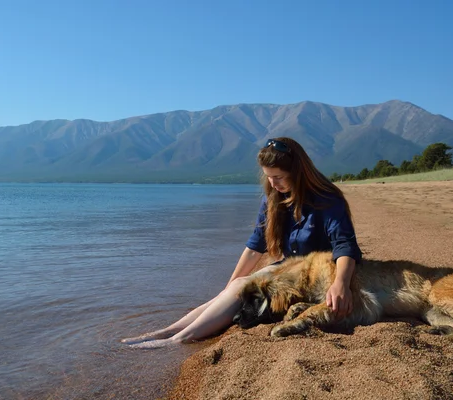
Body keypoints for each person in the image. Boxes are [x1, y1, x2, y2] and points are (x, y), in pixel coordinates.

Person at [122, 137, 362, 348]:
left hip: (316, 278)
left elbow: (344, 245)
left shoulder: (327, 199)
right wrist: (229, 286)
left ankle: (178, 340)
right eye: (269, 177)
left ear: (298, 173)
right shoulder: (273, 199)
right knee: (235, 287)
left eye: (278, 177)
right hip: (288, 269)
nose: (274, 184)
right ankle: (169, 331)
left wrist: (340, 284)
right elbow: (254, 247)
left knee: (241, 288)